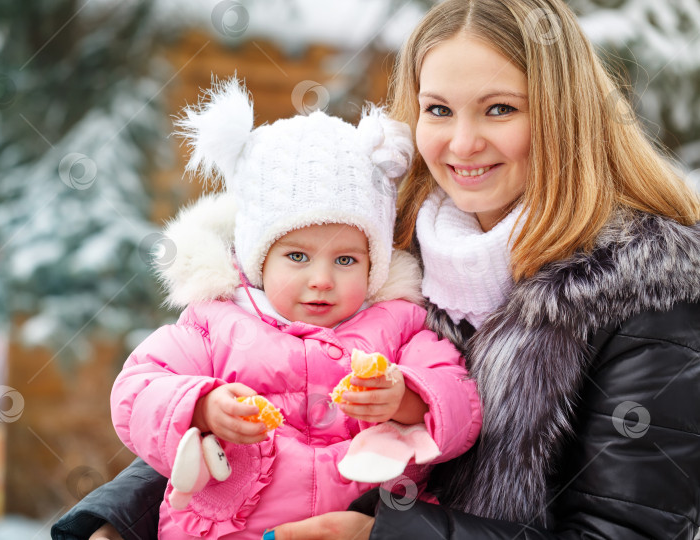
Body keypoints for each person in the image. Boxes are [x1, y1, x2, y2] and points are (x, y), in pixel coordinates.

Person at [52, 0, 700, 538]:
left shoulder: (646, 288)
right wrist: (121, 520)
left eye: (499, 109)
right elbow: (252, 378)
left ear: (561, 115)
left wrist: (383, 535)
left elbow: (624, 532)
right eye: (438, 109)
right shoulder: (381, 243)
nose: (462, 143)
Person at [96, 79, 481, 540]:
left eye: (346, 260)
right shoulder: (214, 323)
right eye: (297, 257)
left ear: (374, 264)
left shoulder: (400, 328)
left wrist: (406, 398)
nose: (321, 279)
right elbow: (136, 389)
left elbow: (461, 402)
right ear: (258, 258)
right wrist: (200, 407)